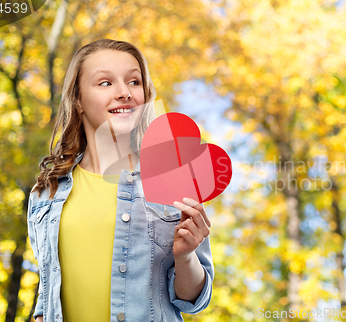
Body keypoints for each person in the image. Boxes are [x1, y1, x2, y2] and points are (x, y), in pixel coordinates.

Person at [27, 39, 214, 322]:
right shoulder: (45, 193)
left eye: (134, 82)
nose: (124, 92)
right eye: (105, 83)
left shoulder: (173, 182)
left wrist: (186, 256)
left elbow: (194, 301)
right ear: (77, 100)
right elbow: (47, 293)